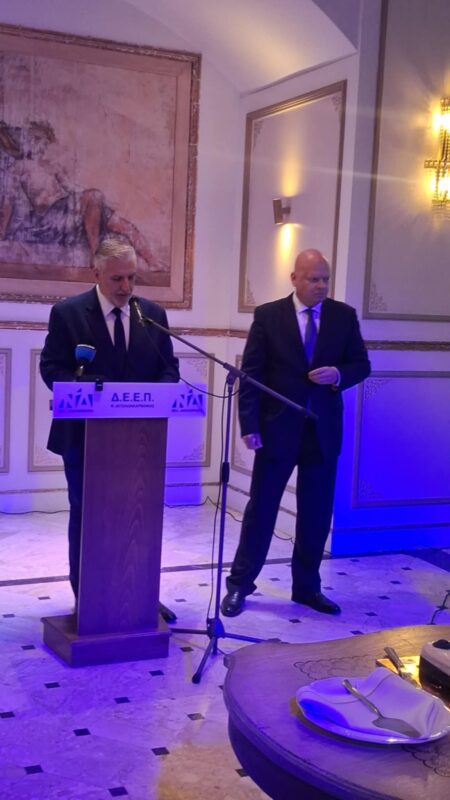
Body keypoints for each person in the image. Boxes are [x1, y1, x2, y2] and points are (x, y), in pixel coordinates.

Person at [221, 248, 371, 618]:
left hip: (322, 431)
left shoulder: (343, 316)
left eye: (325, 279)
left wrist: (338, 375)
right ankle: (240, 585)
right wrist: (250, 425)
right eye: (313, 279)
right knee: (261, 510)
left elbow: (361, 364)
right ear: (295, 279)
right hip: (277, 430)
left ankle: (306, 588)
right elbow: (251, 375)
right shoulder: (268, 316)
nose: (321, 285)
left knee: (316, 514)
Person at [40, 237, 179, 608]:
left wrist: (157, 396)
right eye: (117, 278)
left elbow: (168, 368)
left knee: (138, 516)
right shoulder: (68, 313)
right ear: (97, 273)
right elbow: (51, 368)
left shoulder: (152, 315)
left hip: (141, 441)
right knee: (90, 516)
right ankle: (88, 597)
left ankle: (140, 595)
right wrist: (89, 389)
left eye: (132, 277)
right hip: (84, 439)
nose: (126, 287)